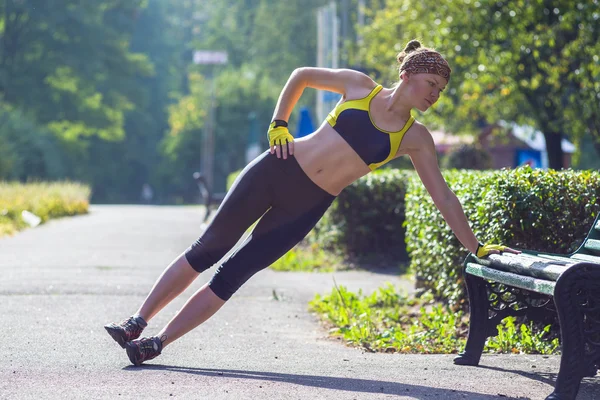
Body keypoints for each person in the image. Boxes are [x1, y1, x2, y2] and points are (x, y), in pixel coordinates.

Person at [104, 40, 520, 366]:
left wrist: (476, 246)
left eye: (441, 91)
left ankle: (156, 344)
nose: (436, 96)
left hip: (305, 207)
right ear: (409, 75)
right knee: (206, 251)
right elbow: (300, 75)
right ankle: (135, 323)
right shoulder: (359, 86)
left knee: (232, 274)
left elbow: (442, 195)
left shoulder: (416, 138)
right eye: (433, 85)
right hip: (276, 170)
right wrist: (278, 125)